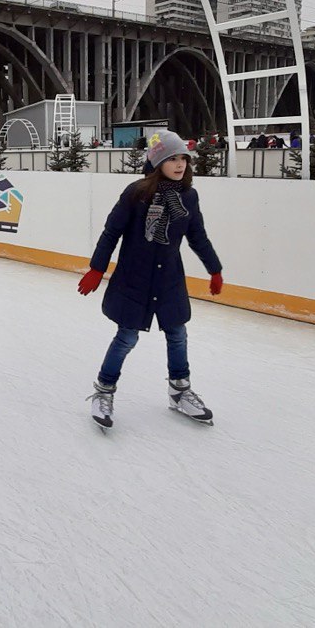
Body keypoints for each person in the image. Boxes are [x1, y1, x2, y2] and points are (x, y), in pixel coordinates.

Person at [78, 130, 223, 431]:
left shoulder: (188, 196)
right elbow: (111, 232)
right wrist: (97, 268)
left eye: (183, 157)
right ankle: (103, 391)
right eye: (172, 158)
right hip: (135, 278)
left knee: (177, 334)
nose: (180, 163)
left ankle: (180, 391)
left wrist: (214, 268)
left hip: (169, 278)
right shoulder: (136, 193)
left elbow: (196, 235)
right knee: (127, 337)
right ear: (158, 162)